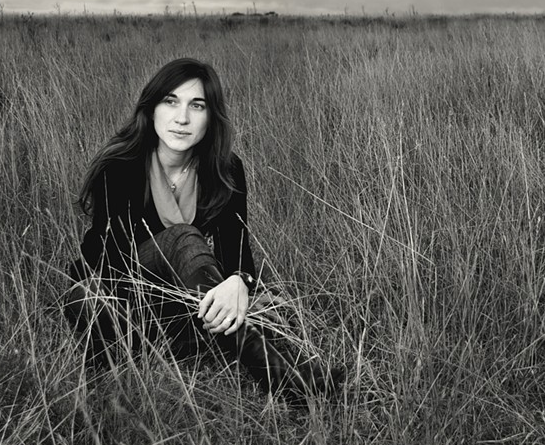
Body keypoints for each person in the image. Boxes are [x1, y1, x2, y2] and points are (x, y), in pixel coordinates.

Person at [63, 57, 342, 403]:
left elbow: (237, 255)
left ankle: (250, 356)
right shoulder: (121, 166)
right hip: (117, 296)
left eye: (197, 106)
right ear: (151, 110)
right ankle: (283, 375)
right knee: (182, 239)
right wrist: (191, 284)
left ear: (210, 118)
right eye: (171, 102)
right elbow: (109, 265)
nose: (182, 118)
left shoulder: (225, 170)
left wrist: (239, 281)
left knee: (264, 303)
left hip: (179, 305)